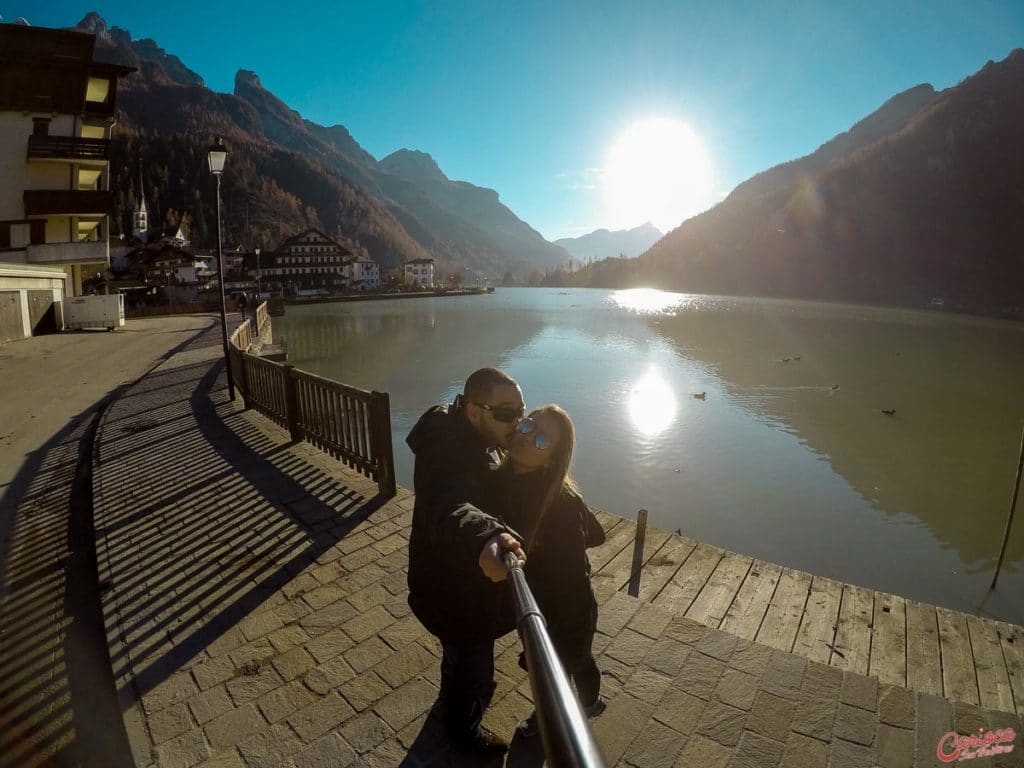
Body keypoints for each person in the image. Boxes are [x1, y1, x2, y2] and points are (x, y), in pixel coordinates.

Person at [405, 368, 527, 755]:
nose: (517, 422)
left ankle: (459, 696)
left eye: (520, 412)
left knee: (461, 657)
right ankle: (464, 731)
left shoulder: (473, 435)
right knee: (471, 663)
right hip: (453, 589)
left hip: (459, 581)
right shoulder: (445, 449)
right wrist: (487, 534)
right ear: (474, 410)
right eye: (506, 413)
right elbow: (450, 503)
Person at [495, 404, 606, 738]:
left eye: (542, 440)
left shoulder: (561, 503)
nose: (528, 437)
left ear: (552, 459)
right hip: (539, 601)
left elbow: (573, 576)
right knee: (575, 661)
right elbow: (598, 534)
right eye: (528, 426)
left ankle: (560, 719)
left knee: (562, 665)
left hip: (566, 609)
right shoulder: (504, 478)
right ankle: (589, 702)